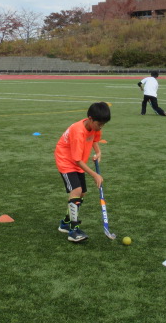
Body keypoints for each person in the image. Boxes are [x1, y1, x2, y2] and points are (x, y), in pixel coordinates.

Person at [55, 102, 111, 243]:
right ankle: (74, 230)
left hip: (79, 160)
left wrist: (98, 152)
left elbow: (94, 139)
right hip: (66, 161)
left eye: (103, 125)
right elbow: (77, 160)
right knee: (76, 190)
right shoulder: (78, 131)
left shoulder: (95, 127)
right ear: (91, 119)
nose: (101, 127)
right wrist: (95, 174)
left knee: (82, 193)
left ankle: (65, 223)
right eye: (99, 124)